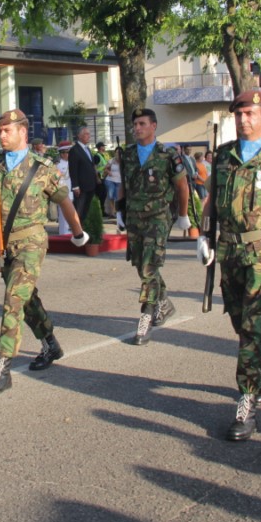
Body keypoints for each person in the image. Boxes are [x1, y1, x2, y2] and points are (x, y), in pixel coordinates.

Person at [195, 90, 261, 442]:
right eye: (239, 114)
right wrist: (204, 234)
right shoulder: (224, 155)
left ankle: (247, 399)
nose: (244, 120)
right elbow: (212, 197)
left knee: (255, 324)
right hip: (230, 251)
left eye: (251, 114)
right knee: (239, 320)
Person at [0, 109, 87, 395]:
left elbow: (64, 202)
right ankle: (50, 342)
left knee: (13, 299)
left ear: (23, 132)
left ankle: (2, 366)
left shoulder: (43, 168)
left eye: (6, 130)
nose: (1, 135)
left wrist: (78, 233)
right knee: (26, 299)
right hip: (5, 245)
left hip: (31, 242)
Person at [117, 108, 191, 346]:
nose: (137, 128)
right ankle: (164, 302)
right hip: (134, 219)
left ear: (154, 126)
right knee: (141, 265)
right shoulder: (127, 155)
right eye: (135, 124)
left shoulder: (168, 155)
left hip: (158, 218)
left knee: (149, 268)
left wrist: (183, 215)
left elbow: (182, 187)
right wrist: (119, 211)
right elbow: (123, 186)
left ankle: (145, 317)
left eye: (142, 123)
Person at [67, 126, 99, 221]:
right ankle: (76, 230)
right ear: (79, 136)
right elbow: (73, 169)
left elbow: (91, 165)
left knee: (86, 210)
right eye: (86, 134)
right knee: (79, 210)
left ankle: (82, 229)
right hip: (81, 187)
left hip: (90, 185)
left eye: (89, 134)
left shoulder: (87, 149)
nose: (88, 136)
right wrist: (75, 186)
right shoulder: (74, 150)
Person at [55, 142, 73, 235]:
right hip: (63, 192)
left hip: (71, 191)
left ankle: (68, 231)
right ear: (62, 153)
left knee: (71, 215)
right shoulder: (58, 165)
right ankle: (63, 233)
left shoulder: (71, 162)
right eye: (67, 152)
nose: (69, 154)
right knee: (63, 216)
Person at [104, 147, 122, 216]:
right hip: (110, 180)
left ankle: (117, 211)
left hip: (119, 181)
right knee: (111, 195)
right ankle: (113, 212)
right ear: (115, 153)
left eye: (119, 152)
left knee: (117, 196)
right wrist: (108, 172)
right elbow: (105, 169)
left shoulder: (123, 161)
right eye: (117, 152)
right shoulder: (111, 161)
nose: (118, 154)